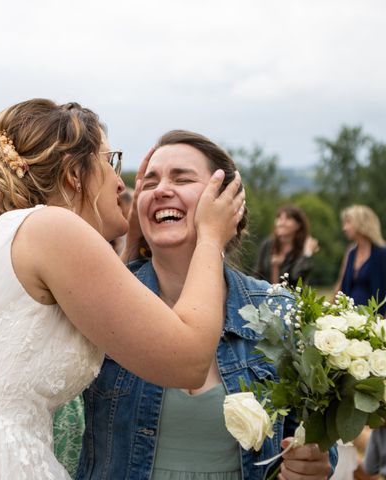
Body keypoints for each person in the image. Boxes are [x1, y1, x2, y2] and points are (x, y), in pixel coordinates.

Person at [0, 98, 244, 479]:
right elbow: (188, 360)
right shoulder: (54, 228)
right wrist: (211, 236)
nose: (121, 183)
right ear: (75, 174)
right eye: (111, 161)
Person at [77, 131, 335, 480]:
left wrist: (315, 462)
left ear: (230, 201)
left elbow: (315, 435)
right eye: (149, 182)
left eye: (182, 178)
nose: (162, 189)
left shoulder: (277, 311)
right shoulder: (103, 300)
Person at [333, 205, 386, 315]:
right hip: (349, 317)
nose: (344, 228)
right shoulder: (351, 252)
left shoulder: (382, 253)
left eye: (348, 223)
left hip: (375, 320)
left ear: (362, 224)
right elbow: (340, 285)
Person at [255, 205, 319, 286]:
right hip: (265, 295)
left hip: (293, 297)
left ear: (298, 225)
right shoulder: (268, 245)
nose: (281, 222)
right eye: (279, 218)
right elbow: (257, 274)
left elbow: (296, 279)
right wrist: (274, 267)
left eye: (288, 218)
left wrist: (307, 254)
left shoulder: (305, 248)